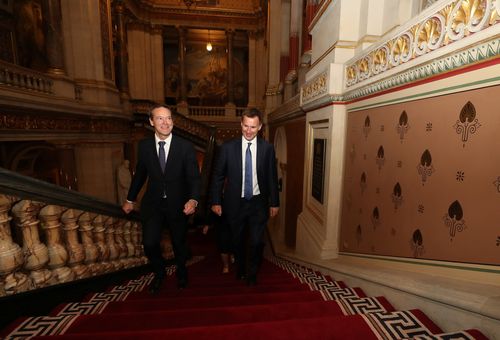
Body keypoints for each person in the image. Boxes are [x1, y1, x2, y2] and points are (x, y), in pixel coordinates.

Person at [122, 105, 200, 293]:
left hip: (178, 205)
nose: (165, 123)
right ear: (151, 122)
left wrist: (193, 200)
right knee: (149, 243)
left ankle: (182, 274)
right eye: (160, 119)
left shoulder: (185, 147)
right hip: (153, 204)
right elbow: (140, 174)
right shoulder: (145, 146)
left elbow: (194, 178)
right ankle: (160, 272)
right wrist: (130, 199)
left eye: (168, 118)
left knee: (179, 244)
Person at [210, 108, 279, 286]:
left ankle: (253, 272)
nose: (249, 131)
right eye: (246, 126)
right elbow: (217, 176)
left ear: (260, 127)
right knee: (237, 241)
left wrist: (274, 202)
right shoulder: (227, 148)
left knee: (256, 241)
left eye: (253, 127)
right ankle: (240, 267)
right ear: (241, 124)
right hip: (235, 203)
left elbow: (272, 176)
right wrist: (216, 201)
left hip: (258, 203)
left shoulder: (267, 149)